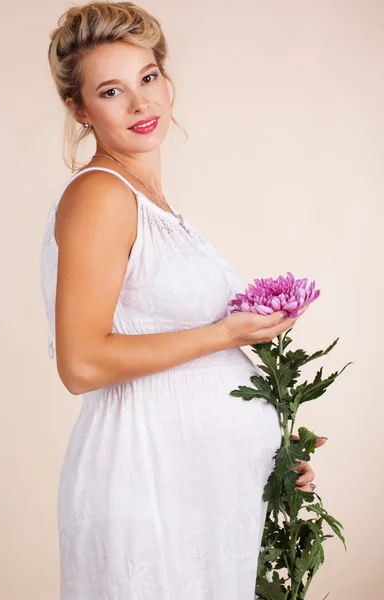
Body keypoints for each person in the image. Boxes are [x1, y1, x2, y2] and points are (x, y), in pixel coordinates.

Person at [40, 3, 321, 598]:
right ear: (79, 109)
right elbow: (82, 363)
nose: (141, 104)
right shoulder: (100, 195)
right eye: (111, 90)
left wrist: (268, 457)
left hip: (196, 489)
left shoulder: (154, 203)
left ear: (166, 80)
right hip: (147, 484)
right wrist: (227, 334)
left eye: (147, 78)